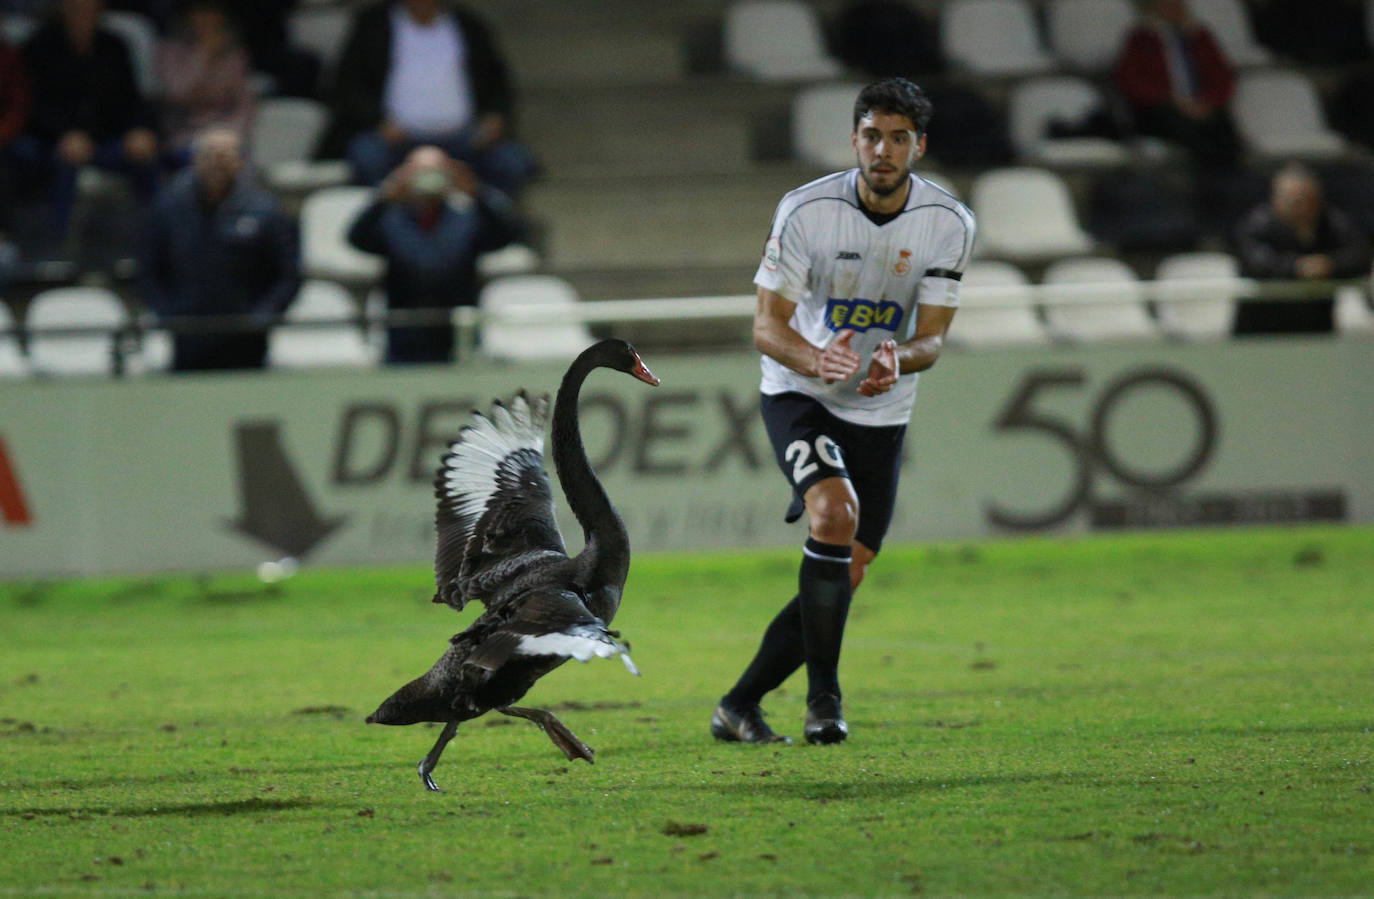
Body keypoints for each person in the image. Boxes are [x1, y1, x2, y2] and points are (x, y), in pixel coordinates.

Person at [711, 78, 975, 746]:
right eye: (870, 134)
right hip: (799, 392)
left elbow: (934, 337)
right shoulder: (806, 211)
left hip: (881, 407)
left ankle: (738, 703)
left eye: (897, 138)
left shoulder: (948, 222)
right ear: (854, 138)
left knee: (845, 569)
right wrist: (811, 359)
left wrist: (899, 358)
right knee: (833, 512)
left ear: (918, 146)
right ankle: (823, 700)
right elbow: (767, 327)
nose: (881, 150)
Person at [321, 0, 536, 197]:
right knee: (366, 155)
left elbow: (498, 82)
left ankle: (489, 224)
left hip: (464, 140)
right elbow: (347, 84)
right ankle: (386, 223)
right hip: (396, 141)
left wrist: (494, 118)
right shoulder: (373, 24)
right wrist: (377, 121)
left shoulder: (468, 24)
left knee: (512, 162)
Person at [346, 144, 526, 364]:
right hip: (405, 329)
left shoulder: (467, 219)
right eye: (420, 170)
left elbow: (506, 235)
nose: (428, 177)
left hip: (457, 328)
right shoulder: (390, 221)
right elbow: (356, 239)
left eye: (436, 169)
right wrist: (384, 197)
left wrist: (477, 192)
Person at [140, 127, 300, 371]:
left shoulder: (265, 210)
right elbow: (148, 270)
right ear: (195, 160)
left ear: (241, 162)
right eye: (210, 155)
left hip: (245, 335)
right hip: (188, 333)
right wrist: (167, 315)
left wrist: (263, 316)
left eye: (226, 156)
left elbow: (289, 273)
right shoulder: (168, 209)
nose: (217, 164)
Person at [16, 0, 159, 238]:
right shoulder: (39, 46)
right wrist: (64, 135)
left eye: (90, 4)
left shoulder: (115, 46)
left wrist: (139, 130)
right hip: (51, 141)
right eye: (76, 5)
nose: (84, 9)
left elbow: (132, 100)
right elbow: (32, 107)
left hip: (106, 139)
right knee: (60, 160)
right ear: (62, 7)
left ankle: (152, 242)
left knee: (145, 154)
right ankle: (58, 246)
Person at [1233, 163, 1371, 335]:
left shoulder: (1332, 223)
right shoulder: (1257, 224)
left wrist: (1329, 265)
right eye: (1295, 202)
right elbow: (1254, 262)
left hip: (1316, 328)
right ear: (1276, 200)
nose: (1303, 208)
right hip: (1260, 329)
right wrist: (1297, 267)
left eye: (1309, 200)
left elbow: (1359, 255)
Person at [1113, 0, 1238, 168]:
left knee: (1224, 127)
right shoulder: (1141, 39)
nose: (1173, 8)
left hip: (1202, 106)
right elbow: (1130, 82)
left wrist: (1206, 102)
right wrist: (1174, 101)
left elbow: (1223, 78)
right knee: (1190, 132)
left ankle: (1235, 179)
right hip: (1161, 108)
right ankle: (1209, 182)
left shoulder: (1200, 38)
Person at [157, 0, 255, 165]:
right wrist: (204, 55)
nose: (207, 19)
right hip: (182, 133)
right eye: (201, 13)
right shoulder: (169, 50)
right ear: (189, 17)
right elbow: (179, 94)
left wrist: (231, 134)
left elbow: (244, 105)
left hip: (225, 134)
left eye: (212, 13)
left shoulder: (235, 56)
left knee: (237, 162)